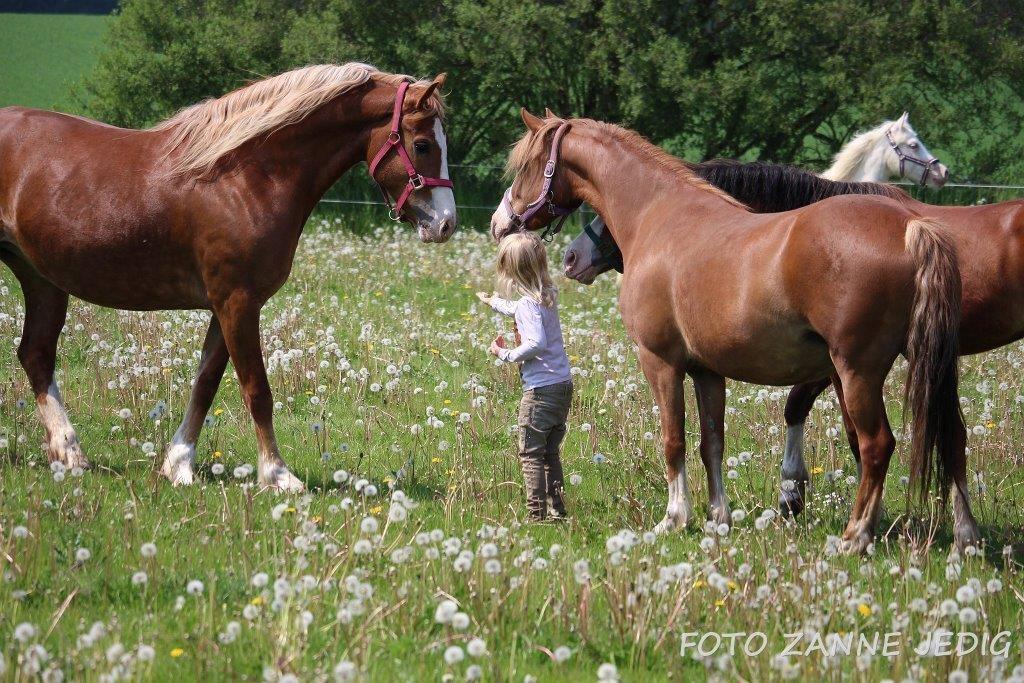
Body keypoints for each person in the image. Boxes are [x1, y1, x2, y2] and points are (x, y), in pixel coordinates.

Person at [477, 232, 573, 521]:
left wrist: (503, 354)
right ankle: (557, 510)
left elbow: (536, 342)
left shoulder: (527, 305)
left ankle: (536, 516)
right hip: (562, 385)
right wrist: (493, 302)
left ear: (512, 271)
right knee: (549, 453)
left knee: (530, 453)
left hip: (540, 391)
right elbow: (519, 310)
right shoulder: (546, 295)